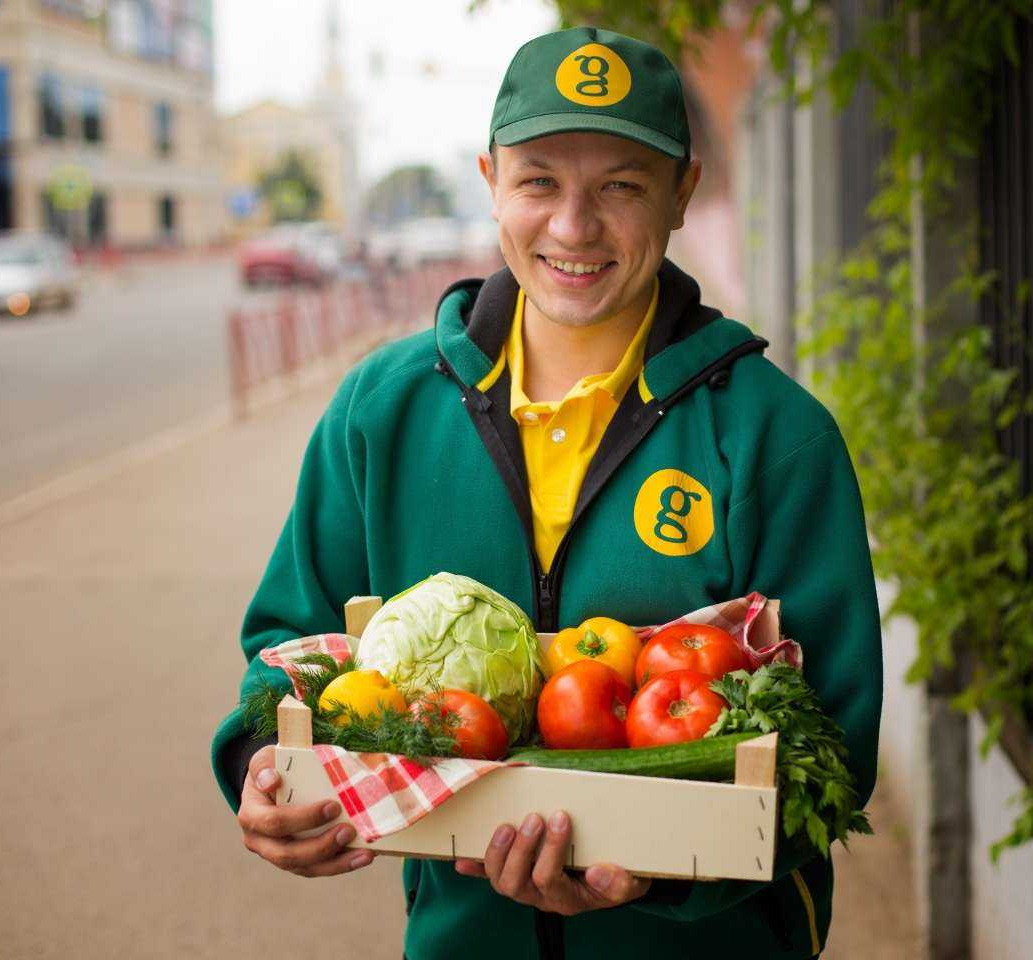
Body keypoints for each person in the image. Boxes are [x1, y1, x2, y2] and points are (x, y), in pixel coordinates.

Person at [210, 25, 883, 960]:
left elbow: (831, 748)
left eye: (621, 186)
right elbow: (288, 642)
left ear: (683, 192)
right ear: (490, 179)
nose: (573, 227)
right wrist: (259, 770)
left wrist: (660, 870)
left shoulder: (775, 436)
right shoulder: (382, 410)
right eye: (538, 182)